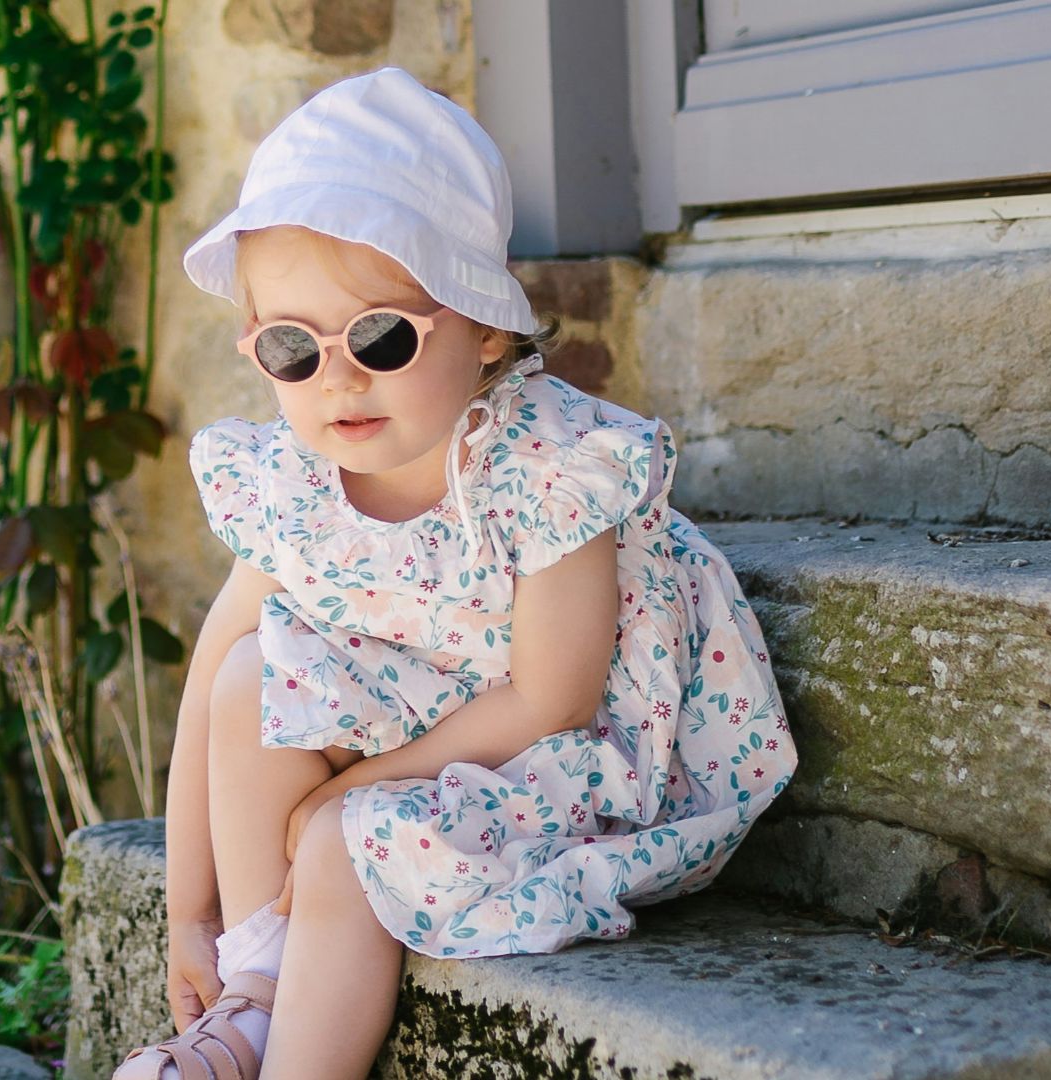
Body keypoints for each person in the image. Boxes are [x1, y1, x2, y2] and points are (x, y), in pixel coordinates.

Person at [113, 67, 797, 1080]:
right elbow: (211, 685)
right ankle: (255, 992)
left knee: (351, 845)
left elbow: (550, 697)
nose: (336, 379)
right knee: (253, 680)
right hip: (432, 711)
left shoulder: (543, 466)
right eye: (292, 347)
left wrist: (337, 804)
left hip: (568, 745)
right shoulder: (300, 481)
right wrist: (190, 911)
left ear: (484, 330)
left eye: (382, 336)